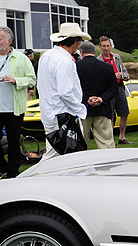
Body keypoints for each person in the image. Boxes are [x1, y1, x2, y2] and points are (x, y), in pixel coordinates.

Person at [0, 26, 37, 179]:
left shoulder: (21, 58)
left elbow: (32, 79)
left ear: (9, 41)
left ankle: (13, 171)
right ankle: (1, 167)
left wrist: (15, 80)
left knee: (13, 141)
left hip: (14, 108)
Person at [38, 23, 89, 160]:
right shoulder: (64, 61)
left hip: (50, 112)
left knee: (58, 152)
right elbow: (65, 92)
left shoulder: (47, 55)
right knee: (56, 155)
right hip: (63, 116)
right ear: (75, 42)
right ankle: (35, 177)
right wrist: (80, 109)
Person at [76, 40, 118, 149]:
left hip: (82, 109)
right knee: (106, 142)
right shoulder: (107, 67)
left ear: (81, 52)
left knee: (81, 142)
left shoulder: (75, 67)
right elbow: (113, 88)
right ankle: (109, 163)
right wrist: (101, 99)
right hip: (102, 109)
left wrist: (87, 99)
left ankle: (81, 164)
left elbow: (73, 89)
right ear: (95, 51)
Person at [98, 36, 131, 144]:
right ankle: (110, 139)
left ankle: (122, 137)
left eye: (108, 46)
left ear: (111, 46)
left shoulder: (116, 57)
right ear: (100, 47)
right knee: (110, 116)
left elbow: (124, 70)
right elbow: (99, 77)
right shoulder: (99, 60)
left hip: (119, 88)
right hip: (108, 90)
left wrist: (125, 76)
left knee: (124, 113)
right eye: (104, 46)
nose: (106, 48)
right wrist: (113, 76)